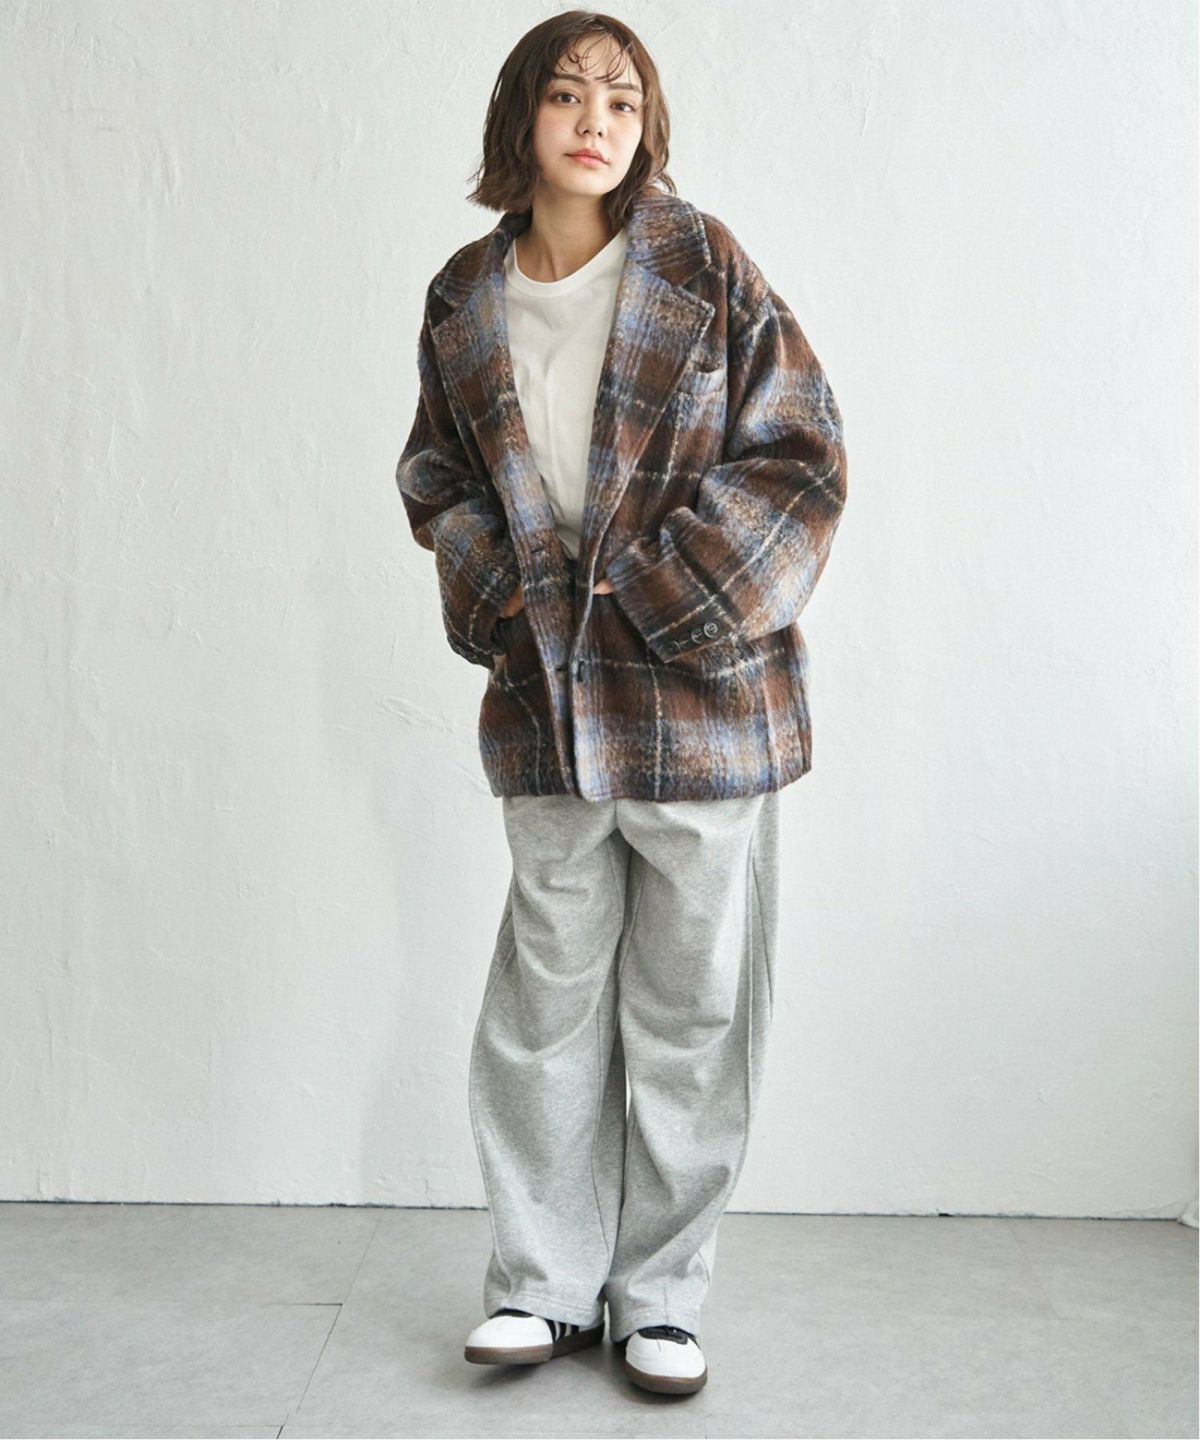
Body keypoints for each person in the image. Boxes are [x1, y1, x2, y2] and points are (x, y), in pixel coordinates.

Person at [395, 10, 847, 1398]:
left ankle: (659, 1296)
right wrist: (499, 594)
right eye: (568, 94)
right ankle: (540, 1283)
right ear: (519, 117)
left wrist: (668, 597)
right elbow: (435, 478)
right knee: (543, 1004)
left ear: (646, 130)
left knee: (692, 1012)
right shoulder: (464, 298)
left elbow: (802, 454)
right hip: (547, 711)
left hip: (704, 712)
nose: (596, 120)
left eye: (624, 100)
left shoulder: (700, 264)